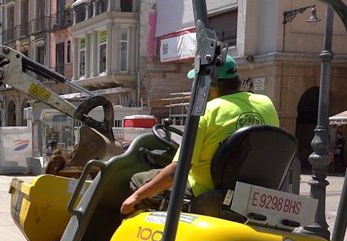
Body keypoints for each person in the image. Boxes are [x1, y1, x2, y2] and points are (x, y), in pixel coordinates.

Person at [120, 55, 280, 215]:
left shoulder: (205, 112)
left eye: (197, 83)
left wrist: (136, 197)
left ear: (210, 87)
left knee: (138, 180)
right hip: (253, 193)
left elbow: (176, 173)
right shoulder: (266, 103)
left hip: (207, 194)